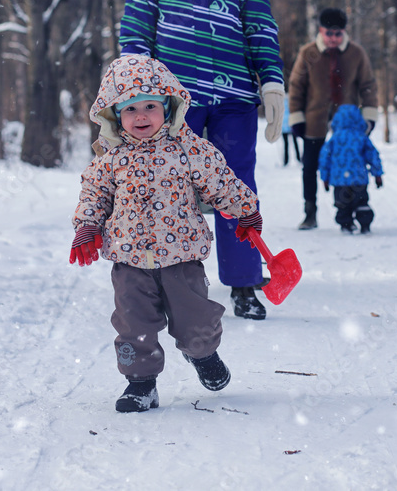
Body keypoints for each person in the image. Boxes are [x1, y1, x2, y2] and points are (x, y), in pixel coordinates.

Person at [119, 0, 285, 320]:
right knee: (171, 190)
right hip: (174, 102)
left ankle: (246, 282)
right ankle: (174, 284)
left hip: (234, 96)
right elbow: (135, 38)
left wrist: (271, 81)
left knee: (237, 187)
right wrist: (135, 96)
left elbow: (260, 28)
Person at [68, 55, 263, 413]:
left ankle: (202, 353)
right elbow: (93, 193)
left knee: (196, 321)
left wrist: (246, 210)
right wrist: (87, 226)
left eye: (150, 106)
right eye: (130, 110)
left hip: (182, 258)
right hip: (129, 260)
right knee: (133, 325)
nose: (141, 116)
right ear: (115, 115)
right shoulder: (110, 158)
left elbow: (222, 182)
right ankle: (140, 384)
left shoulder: (190, 150)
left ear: (169, 107)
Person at [288, 7, 379, 230]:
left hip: (347, 124)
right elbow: (296, 86)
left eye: (338, 34)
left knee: (352, 165)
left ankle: (353, 208)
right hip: (314, 120)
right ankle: (310, 212)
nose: (333, 38)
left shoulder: (356, 54)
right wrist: (297, 117)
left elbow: (368, 86)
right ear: (321, 30)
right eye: (329, 33)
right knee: (309, 167)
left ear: (344, 33)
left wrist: (369, 116)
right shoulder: (308, 53)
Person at [318, 105, 384, 234]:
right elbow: (373, 156)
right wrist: (377, 174)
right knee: (361, 202)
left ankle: (346, 224)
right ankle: (365, 224)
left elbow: (324, 159)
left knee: (342, 203)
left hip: (339, 180)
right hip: (358, 179)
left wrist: (325, 178)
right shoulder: (361, 137)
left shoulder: (334, 139)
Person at [281, 97, 301, 166]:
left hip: (285, 126)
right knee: (294, 143)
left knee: (286, 144)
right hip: (291, 125)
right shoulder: (291, 101)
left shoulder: (281, 102)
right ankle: (298, 159)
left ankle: (286, 161)